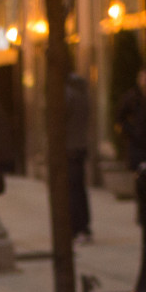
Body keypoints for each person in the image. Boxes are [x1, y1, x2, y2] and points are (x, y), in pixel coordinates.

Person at [66, 72, 92, 243]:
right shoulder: (84, 96)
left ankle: (77, 228)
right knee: (79, 189)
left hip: (70, 148)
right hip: (81, 147)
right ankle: (84, 227)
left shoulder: (68, 95)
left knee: (73, 190)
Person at [115, 70, 146, 170]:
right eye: (143, 78)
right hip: (137, 143)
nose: (145, 81)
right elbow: (120, 118)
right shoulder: (132, 97)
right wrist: (131, 131)